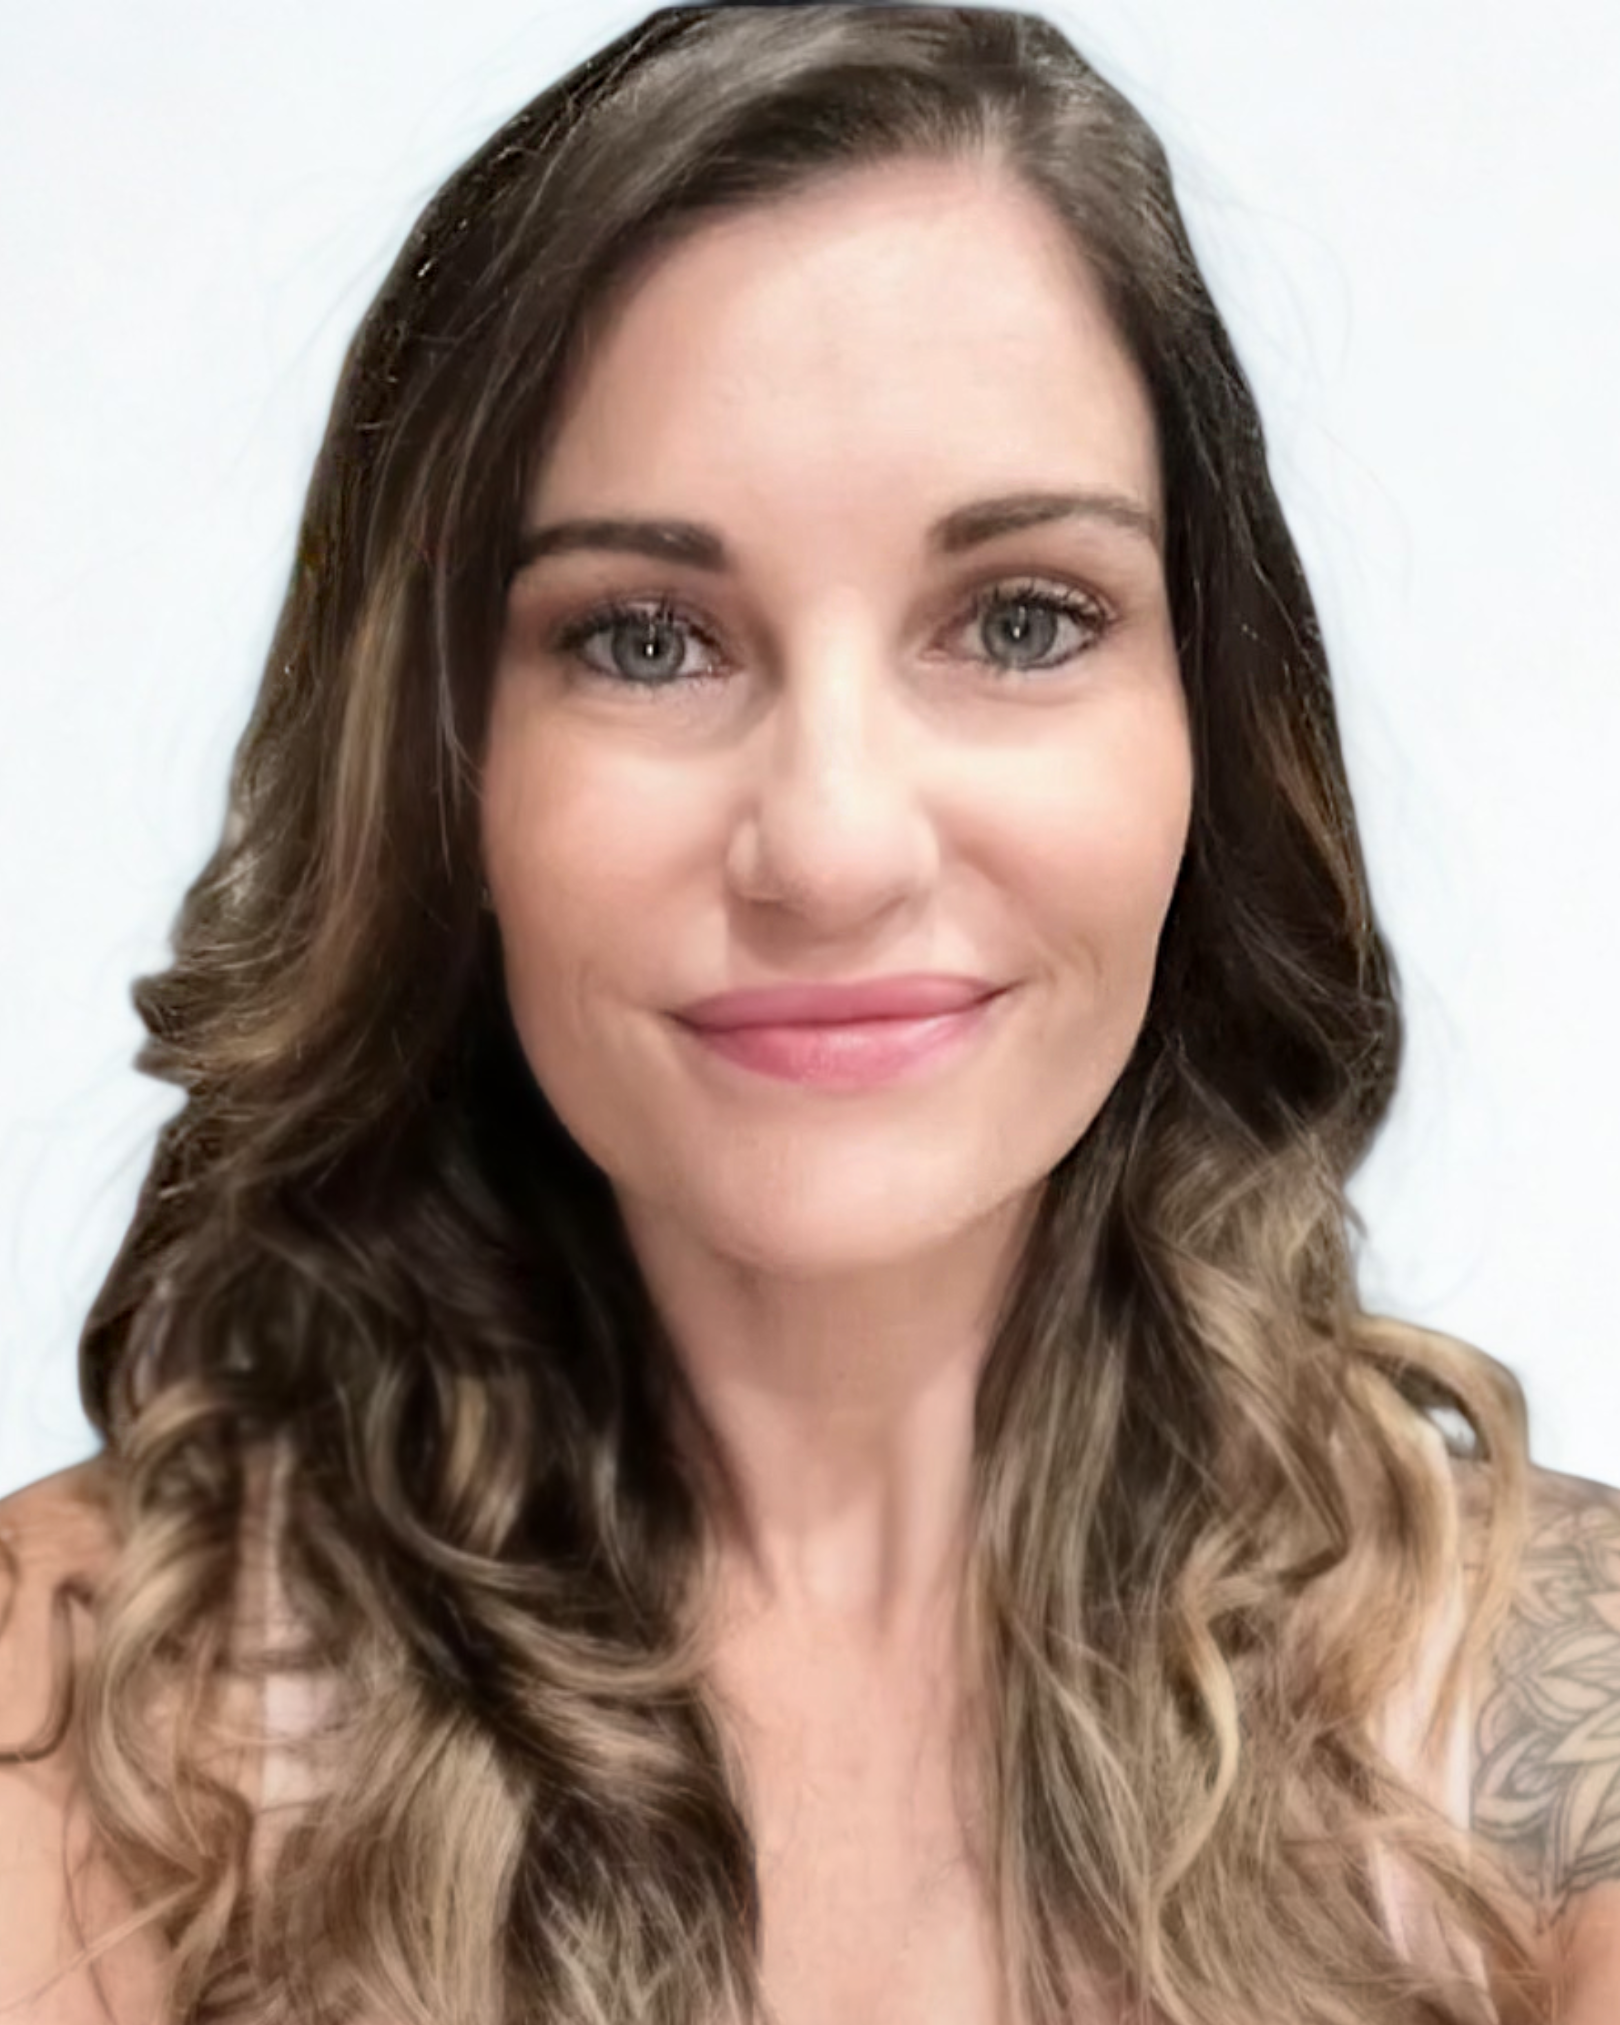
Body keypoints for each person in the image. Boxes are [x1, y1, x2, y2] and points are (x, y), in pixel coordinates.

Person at [0, 4, 1615, 2021]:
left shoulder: (1549, 1719)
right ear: (440, 772)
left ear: (1206, 720)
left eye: (1022, 618)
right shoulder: (82, 1713)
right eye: (645, 638)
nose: (834, 846)